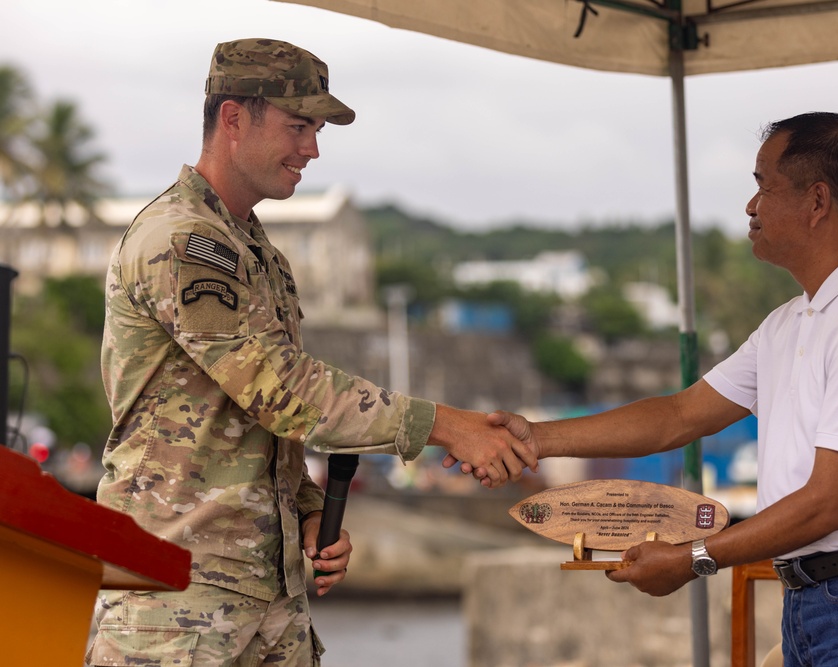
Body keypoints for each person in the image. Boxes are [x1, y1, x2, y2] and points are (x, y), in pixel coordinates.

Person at [87, 38, 535, 667]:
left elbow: (245, 417)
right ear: (234, 118)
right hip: (173, 599)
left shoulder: (254, 251)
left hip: (263, 600)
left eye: (317, 129)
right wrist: (445, 426)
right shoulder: (185, 240)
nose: (313, 149)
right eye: (299, 126)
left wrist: (305, 507)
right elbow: (281, 389)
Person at [475, 112, 838, 665]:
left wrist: (693, 559)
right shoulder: (791, 321)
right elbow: (679, 415)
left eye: (763, 185)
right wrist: (535, 438)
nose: (750, 206)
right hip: (830, 599)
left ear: (817, 202)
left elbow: (829, 503)